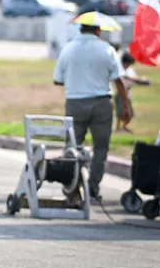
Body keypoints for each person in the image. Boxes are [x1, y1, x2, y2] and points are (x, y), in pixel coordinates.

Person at [53, 23, 131, 202]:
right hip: (101, 103)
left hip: (75, 102)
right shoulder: (107, 49)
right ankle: (93, 187)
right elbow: (118, 80)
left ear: (81, 29)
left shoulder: (68, 48)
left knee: (72, 146)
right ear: (98, 30)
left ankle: (70, 187)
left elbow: (57, 80)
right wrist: (125, 106)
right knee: (101, 148)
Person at [115, 51, 150, 133]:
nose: (129, 65)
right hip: (120, 94)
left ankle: (123, 127)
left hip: (127, 94)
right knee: (120, 113)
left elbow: (134, 79)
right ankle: (118, 128)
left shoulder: (130, 70)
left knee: (129, 114)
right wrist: (139, 80)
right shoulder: (119, 69)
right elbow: (125, 78)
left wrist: (142, 80)